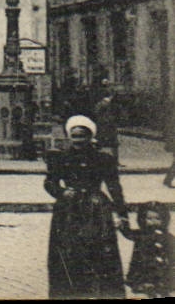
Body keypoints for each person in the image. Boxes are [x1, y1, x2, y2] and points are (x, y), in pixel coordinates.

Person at [44, 115, 130, 299]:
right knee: (68, 251)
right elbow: (49, 182)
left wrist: (122, 214)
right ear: (69, 137)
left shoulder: (103, 159)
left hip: (96, 209)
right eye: (74, 136)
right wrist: (60, 192)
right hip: (68, 210)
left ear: (90, 136)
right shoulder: (60, 157)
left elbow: (114, 187)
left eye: (83, 136)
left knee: (99, 251)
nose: (78, 140)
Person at [125, 202, 173, 298]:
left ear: (164, 219)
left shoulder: (167, 236)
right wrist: (122, 225)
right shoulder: (141, 234)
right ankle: (146, 287)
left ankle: (162, 288)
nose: (153, 221)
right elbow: (129, 234)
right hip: (143, 265)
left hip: (162, 267)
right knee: (144, 284)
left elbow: (172, 251)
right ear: (143, 219)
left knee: (164, 280)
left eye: (157, 218)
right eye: (149, 218)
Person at [92, 79, 120, 164]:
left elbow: (96, 113)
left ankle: (95, 159)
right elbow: (117, 114)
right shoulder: (112, 104)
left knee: (99, 142)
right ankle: (115, 161)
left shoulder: (100, 104)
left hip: (102, 124)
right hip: (110, 125)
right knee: (114, 143)